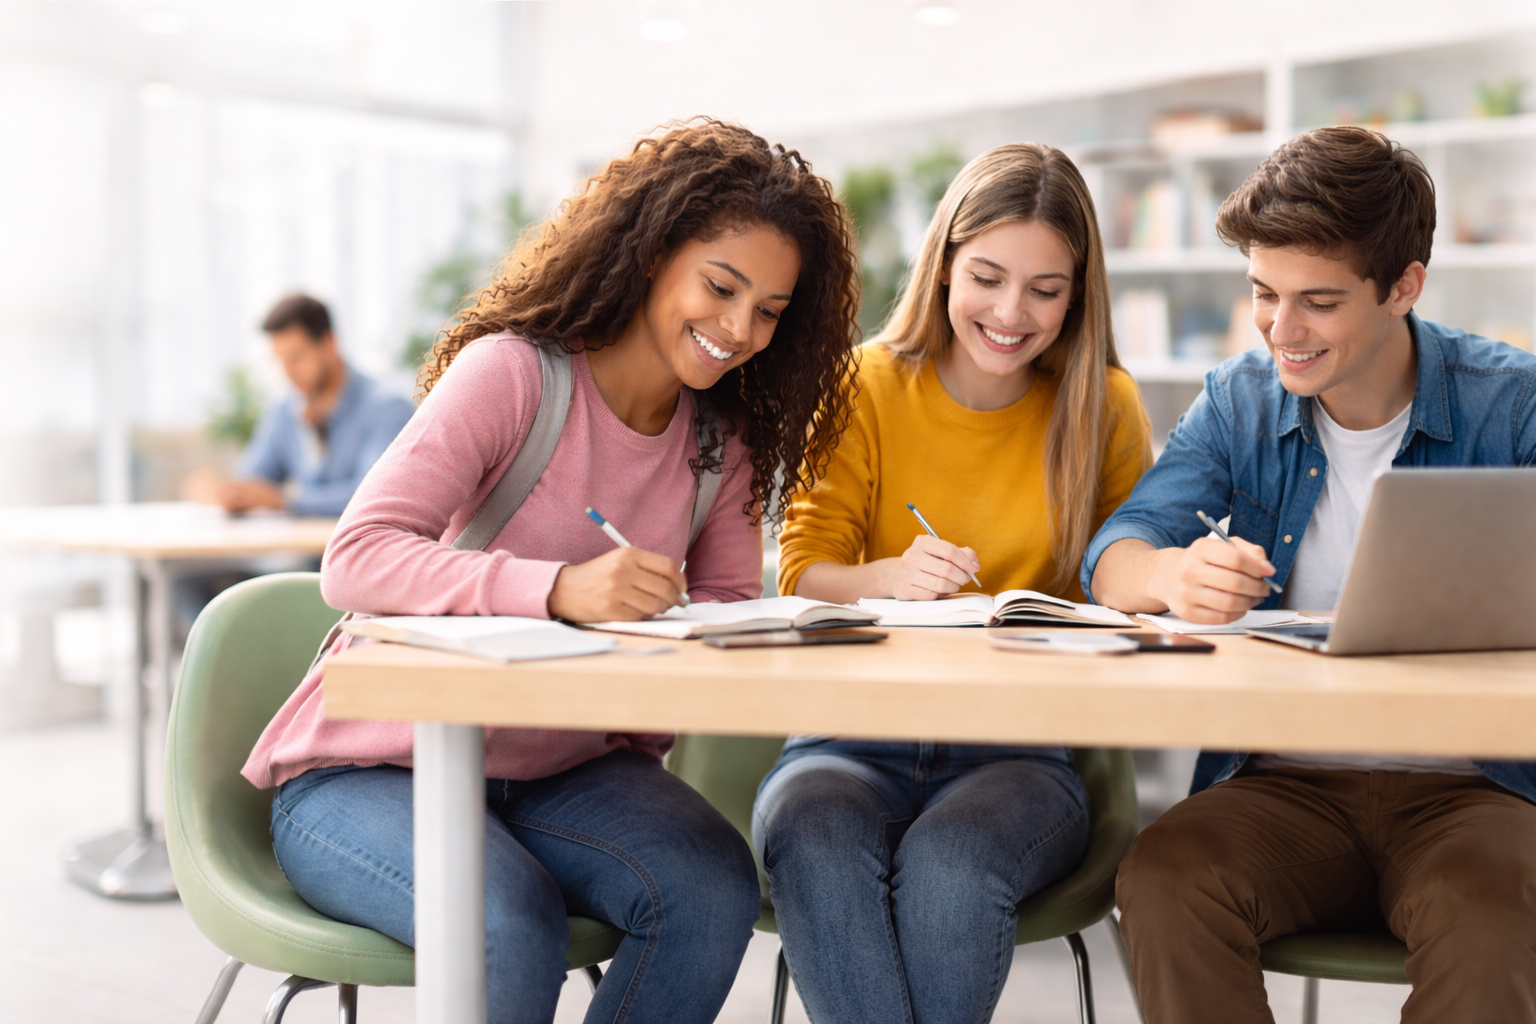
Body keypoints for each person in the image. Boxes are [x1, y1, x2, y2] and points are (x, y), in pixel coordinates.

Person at [241, 120, 861, 1024]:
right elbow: (356, 555)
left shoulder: (720, 449)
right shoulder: (515, 377)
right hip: (375, 769)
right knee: (506, 920)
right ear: (653, 255)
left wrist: (685, 645)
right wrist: (558, 590)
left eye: (769, 311)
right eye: (721, 287)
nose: (739, 328)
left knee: (711, 885)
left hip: (564, 772)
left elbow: (723, 617)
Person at [1087, 127, 1536, 1023]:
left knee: (1491, 917)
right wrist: (1173, 574)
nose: (1281, 332)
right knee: (1167, 876)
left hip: (1477, 787)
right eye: (1263, 293)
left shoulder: (1513, 403)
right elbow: (1116, 554)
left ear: (1404, 286)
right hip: (1284, 786)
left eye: (1318, 302)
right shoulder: (1238, 399)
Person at [755, 144, 1152, 1024]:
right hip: (844, 739)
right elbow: (802, 573)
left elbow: (1125, 587)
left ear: (1078, 295)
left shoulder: (1104, 407)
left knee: (952, 863)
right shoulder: (860, 385)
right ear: (942, 268)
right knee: (808, 832)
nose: (1012, 312)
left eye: (1046, 289)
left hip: (1020, 754)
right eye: (988, 276)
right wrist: (888, 579)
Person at [184, 293, 415, 516]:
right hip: (303, 552)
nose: (288, 372)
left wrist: (286, 500)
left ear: (329, 342)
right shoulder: (284, 410)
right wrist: (227, 494)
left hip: (363, 553)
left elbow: (372, 496)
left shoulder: (387, 408)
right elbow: (253, 480)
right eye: (281, 361)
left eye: (295, 358)